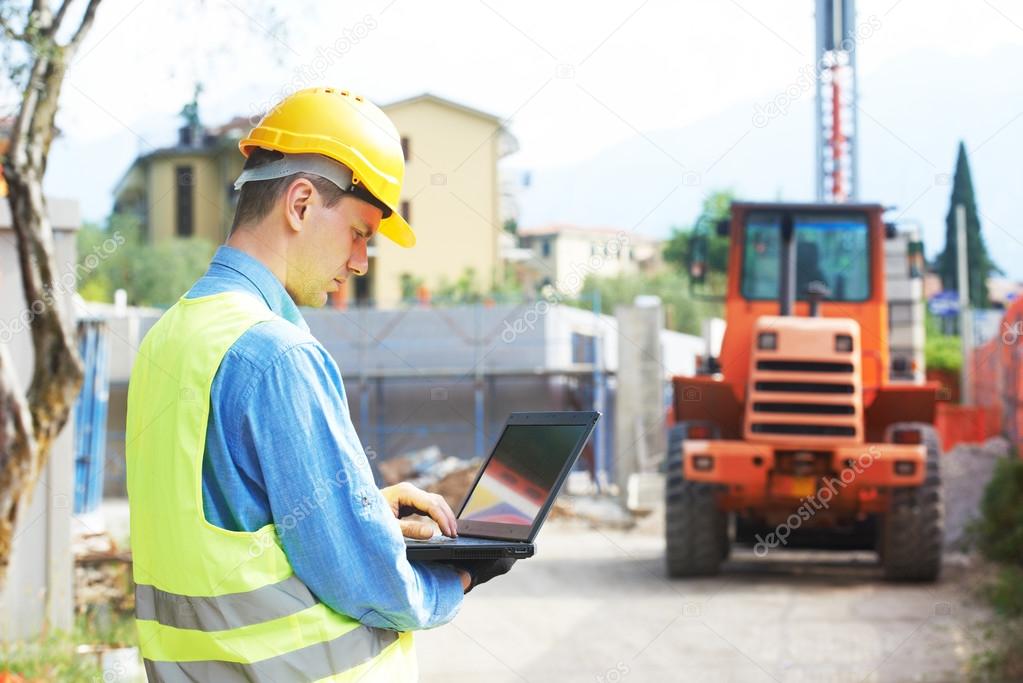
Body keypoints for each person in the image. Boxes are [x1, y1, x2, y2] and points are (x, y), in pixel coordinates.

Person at [125, 87, 512, 682]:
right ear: (301, 204)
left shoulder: (168, 338)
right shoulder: (277, 355)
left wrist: (358, 510)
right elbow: (370, 584)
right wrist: (459, 575)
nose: (360, 261)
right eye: (360, 231)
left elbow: (225, 521)